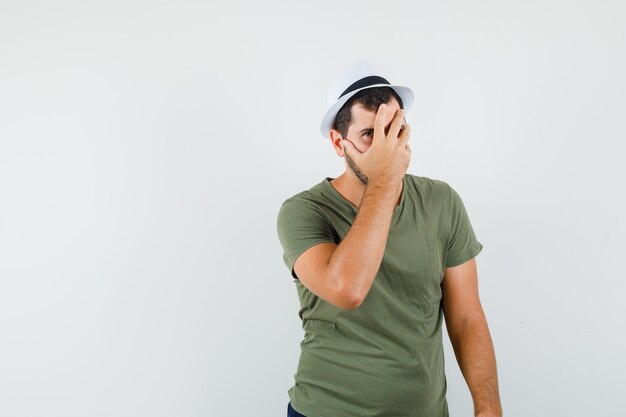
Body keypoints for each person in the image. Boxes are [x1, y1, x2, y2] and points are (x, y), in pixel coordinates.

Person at [276, 59, 503, 417]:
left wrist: (488, 407)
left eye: (395, 130)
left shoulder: (441, 202)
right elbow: (347, 289)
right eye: (370, 134)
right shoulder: (303, 212)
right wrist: (385, 179)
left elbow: (467, 319)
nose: (388, 146)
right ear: (339, 142)